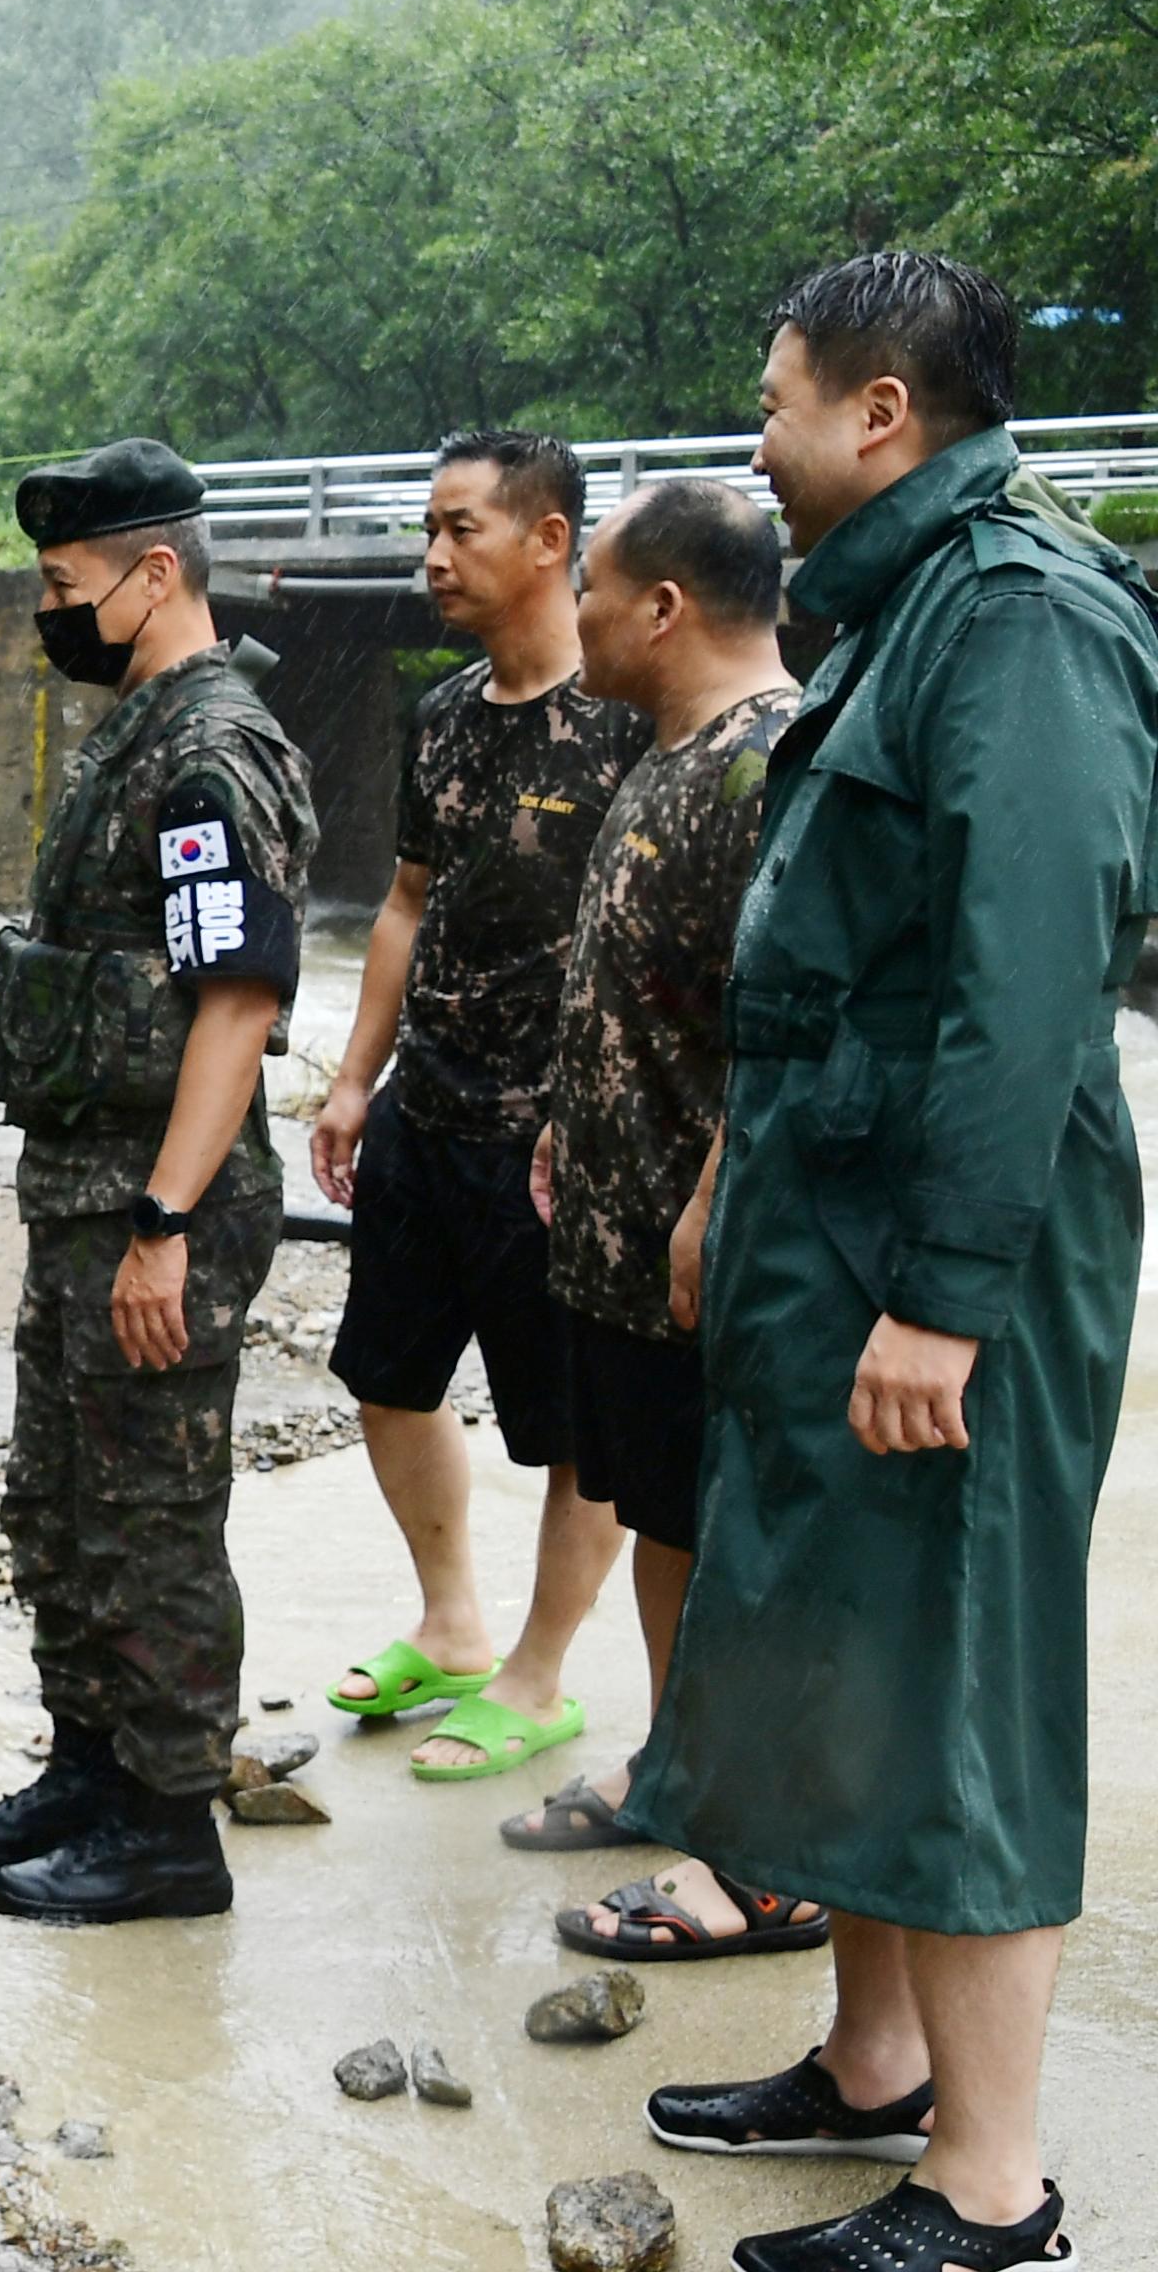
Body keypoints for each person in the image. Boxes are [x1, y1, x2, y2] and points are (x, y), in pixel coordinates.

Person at [623, 253, 1157, 2272]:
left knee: (966, 1680)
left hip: (943, 1247)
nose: (751, 443)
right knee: (851, 1644)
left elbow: (1032, 988)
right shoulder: (899, 611)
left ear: (878, 413)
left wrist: (944, 1288)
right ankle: (868, 2064)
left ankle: (993, 2183)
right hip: (829, 1222)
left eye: (773, 402)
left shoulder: (1020, 618)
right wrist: (726, 1201)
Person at [0, 438, 316, 1926]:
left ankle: (167, 1824)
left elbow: (235, 1003)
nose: (53, 609)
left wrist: (163, 1223)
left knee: (151, 1511)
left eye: (66, 584)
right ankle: (88, 1763)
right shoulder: (141, 727)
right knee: (68, 1499)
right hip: (83, 1193)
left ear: (158, 576)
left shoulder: (212, 750)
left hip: (155, 1203)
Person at [503, 482, 824, 1968]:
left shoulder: (770, 766)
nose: (572, 618)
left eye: (592, 591)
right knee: (668, 1523)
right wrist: (577, 1119)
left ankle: (756, 1856)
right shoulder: (667, 754)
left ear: (661, 608)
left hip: (715, 1261)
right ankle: (677, 1769)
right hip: (628, 1250)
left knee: (736, 1544)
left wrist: (703, 1204)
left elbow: (781, 1028)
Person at [309, 432, 649, 1781]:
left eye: (462, 530)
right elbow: (403, 902)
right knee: (385, 1378)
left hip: (562, 1140)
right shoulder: (445, 713)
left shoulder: (632, 717)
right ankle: (451, 1625)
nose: (434, 558)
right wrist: (351, 1079)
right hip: (428, 1107)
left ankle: (540, 1669)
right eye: (428, 531)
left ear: (551, 539)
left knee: (576, 1426)